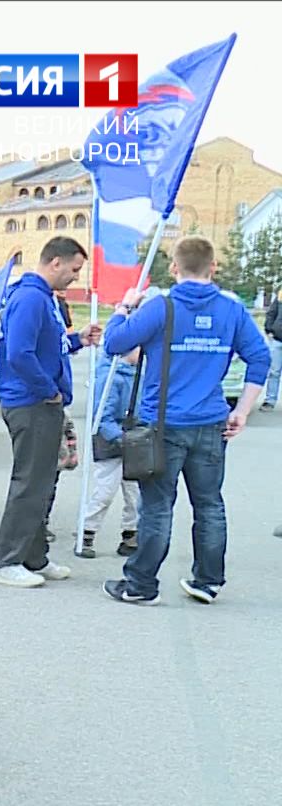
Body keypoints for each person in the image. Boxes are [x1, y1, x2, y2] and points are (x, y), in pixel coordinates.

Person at [100, 236, 272, 605]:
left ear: (175, 268)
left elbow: (114, 343)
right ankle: (208, 582)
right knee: (209, 504)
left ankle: (141, 585)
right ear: (213, 267)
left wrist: (123, 307)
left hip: (162, 425)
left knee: (157, 507)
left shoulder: (160, 307)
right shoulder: (232, 309)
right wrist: (242, 409)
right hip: (211, 422)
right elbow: (260, 358)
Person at [0, 236, 102, 588]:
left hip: (40, 403)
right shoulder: (30, 299)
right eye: (74, 269)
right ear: (55, 262)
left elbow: (48, 347)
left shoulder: (44, 298)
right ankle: (5, 562)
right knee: (29, 483)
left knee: (41, 484)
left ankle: (34, 556)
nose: (76, 277)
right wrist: (48, 390)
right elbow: (19, 354)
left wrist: (78, 339)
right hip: (31, 404)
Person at [75, 343, 142, 558]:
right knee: (105, 490)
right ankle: (87, 530)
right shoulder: (110, 376)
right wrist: (120, 438)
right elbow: (102, 415)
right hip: (111, 439)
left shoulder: (138, 374)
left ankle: (131, 533)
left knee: (135, 491)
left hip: (134, 437)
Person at [264, 283, 280, 411]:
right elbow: (271, 313)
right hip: (277, 340)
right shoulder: (281, 295)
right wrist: (269, 329)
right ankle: (270, 401)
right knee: (274, 372)